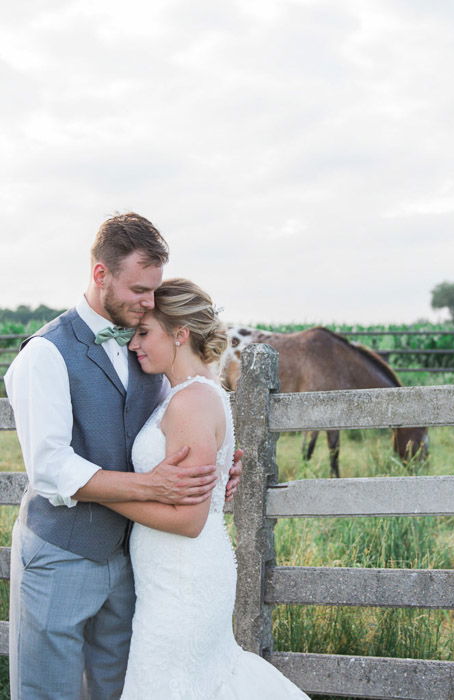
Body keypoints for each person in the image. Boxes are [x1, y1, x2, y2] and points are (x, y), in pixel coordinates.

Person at [4, 213, 242, 699]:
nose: (149, 302)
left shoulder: (149, 346)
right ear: (100, 275)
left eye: (153, 290)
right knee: (49, 692)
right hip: (61, 556)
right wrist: (153, 487)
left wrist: (217, 465)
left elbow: (176, 424)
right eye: (138, 289)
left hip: (137, 565)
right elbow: (51, 468)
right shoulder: (45, 354)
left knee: (119, 691)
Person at [101, 277, 308, 699]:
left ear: (180, 334)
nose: (134, 344)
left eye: (144, 333)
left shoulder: (191, 401)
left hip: (184, 581)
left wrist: (103, 493)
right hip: (173, 575)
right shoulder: (183, 394)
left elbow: (189, 520)